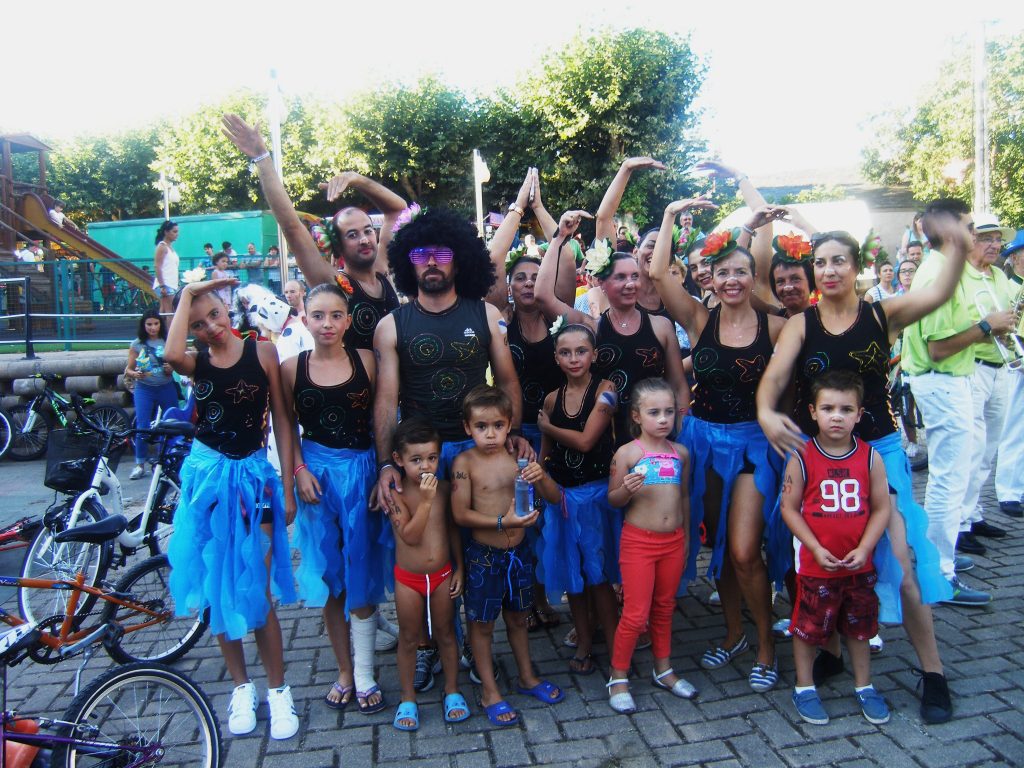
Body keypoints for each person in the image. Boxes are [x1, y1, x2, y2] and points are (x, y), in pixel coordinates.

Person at [757, 203, 974, 724]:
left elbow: (940, 292)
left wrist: (957, 246)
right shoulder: (801, 325)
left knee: (902, 562)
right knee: (826, 560)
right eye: (820, 262)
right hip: (820, 461)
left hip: (879, 453)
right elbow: (774, 381)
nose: (828, 270)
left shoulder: (882, 314)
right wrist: (765, 413)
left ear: (856, 266)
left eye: (839, 261)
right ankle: (832, 654)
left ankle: (933, 672)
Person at [650, 201, 786, 693]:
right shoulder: (698, 320)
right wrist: (671, 215)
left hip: (753, 446)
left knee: (746, 550)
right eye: (722, 272)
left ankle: (766, 645)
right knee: (722, 547)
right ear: (709, 277)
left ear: (753, 277)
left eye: (740, 272)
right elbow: (658, 273)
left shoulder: (776, 327)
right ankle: (733, 634)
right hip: (704, 441)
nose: (731, 280)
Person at [163, 276, 299, 741]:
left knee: (257, 587)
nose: (210, 327)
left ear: (227, 309)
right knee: (219, 586)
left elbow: (283, 419)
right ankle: (241, 687)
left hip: (254, 479)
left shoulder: (263, 352)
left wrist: (288, 484)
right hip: (208, 478)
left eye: (214, 315)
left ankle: (278, 689)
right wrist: (185, 296)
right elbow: (169, 355)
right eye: (198, 324)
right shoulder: (196, 362)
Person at [282, 281, 391, 716]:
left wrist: (384, 468)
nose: (326, 323)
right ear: (304, 319)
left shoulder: (367, 360)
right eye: (317, 315)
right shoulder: (291, 368)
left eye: (335, 315)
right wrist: (298, 471)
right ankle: (344, 670)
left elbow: (384, 415)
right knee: (330, 575)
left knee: (360, 568)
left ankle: (364, 672)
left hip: (362, 473)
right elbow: (285, 427)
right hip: (317, 478)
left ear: (348, 320)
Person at [901, 207, 1016, 607]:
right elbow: (938, 348)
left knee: (953, 476)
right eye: (969, 227)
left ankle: (941, 555)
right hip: (942, 381)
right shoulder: (936, 273)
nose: (976, 234)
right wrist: (986, 327)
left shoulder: (945, 268)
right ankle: (939, 574)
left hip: (951, 381)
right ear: (950, 231)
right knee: (949, 480)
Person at [781, 371, 892, 726]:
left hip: (858, 566)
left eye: (846, 409)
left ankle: (864, 685)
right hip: (817, 566)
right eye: (828, 408)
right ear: (813, 411)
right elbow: (789, 508)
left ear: (859, 414)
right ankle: (804, 686)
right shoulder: (802, 456)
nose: (836, 417)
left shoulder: (871, 457)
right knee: (808, 628)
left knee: (860, 628)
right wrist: (814, 547)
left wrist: (866, 547)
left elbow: (881, 508)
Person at [451, 386, 564, 727]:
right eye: (481, 426)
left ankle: (526, 677)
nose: (490, 434)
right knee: (482, 625)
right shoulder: (464, 464)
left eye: (497, 426)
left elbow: (553, 498)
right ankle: (490, 691)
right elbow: (460, 514)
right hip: (484, 557)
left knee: (518, 618)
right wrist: (504, 522)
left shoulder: (520, 457)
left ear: (510, 424)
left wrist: (541, 476)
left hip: (519, 553)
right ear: (467, 427)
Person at [534, 211, 688, 447]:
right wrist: (560, 236)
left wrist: (679, 432)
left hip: (653, 439)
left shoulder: (661, 326)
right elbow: (543, 296)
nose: (630, 283)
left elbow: (677, 385)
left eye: (634, 276)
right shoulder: (592, 326)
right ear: (602, 284)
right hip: (602, 439)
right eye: (620, 277)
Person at [533, 321, 620, 675]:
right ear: (556, 357)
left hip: (596, 497)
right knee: (574, 577)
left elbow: (586, 441)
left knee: (598, 576)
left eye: (581, 351)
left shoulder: (606, 390)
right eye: (565, 352)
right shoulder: (552, 399)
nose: (574, 359)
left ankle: (615, 650)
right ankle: (584, 641)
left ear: (594, 355)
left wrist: (547, 427)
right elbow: (545, 455)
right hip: (563, 498)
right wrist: (538, 490)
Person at [605, 378, 694, 714]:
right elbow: (613, 500)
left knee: (665, 606)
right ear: (636, 416)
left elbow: (683, 497)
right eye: (654, 412)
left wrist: (686, 538)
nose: (663, 419)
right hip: (639, 543)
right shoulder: (627, 454)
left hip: (673, 542)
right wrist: (626, 489)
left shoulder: (680, 453)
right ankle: (618, 676)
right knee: (635, 614)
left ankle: (664, 669)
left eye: (669, 411)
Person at [387, 418, 467, 730]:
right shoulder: (396, 494)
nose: (425, 467)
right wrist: (426, 502)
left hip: (443, 574)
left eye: (432, 458)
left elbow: (452, 530)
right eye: (416, 460)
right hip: (409, 580)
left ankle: (452, 690)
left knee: (446, 634)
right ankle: (407, 698)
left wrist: (460, 567)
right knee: (409, 638)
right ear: (399, 459)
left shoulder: (444, 489)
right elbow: (409, 535)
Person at [125, 309, 178, 480]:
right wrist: (135, 374)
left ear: (161, 324)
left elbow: (180, 362)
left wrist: (172, 368)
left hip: (166, 386)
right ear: (144, 325)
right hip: (144, 388)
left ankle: (167, 461)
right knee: (143, 425)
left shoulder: (168, 341)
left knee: (171, 424)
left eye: (156, 324)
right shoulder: (137, 344)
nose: (153, 327)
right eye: (149, 324)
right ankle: (139, 464)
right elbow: (128, 369)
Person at [995, 238, 1024, 518]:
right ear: (1014, 257)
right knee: (1014, 428)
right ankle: (1008, 491)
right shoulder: (1007, 287)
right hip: (1016, 363)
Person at [153, 220, 180, 315]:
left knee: (164, 311)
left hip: (171, 284)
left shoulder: (169, 247)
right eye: (174, 231)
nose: (177, 234)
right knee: (170, 311)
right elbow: (157, 266)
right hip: (166, 284)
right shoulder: (162, 246)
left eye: (177, 232)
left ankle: (160, 325)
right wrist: (162, 285)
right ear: (166, 232)